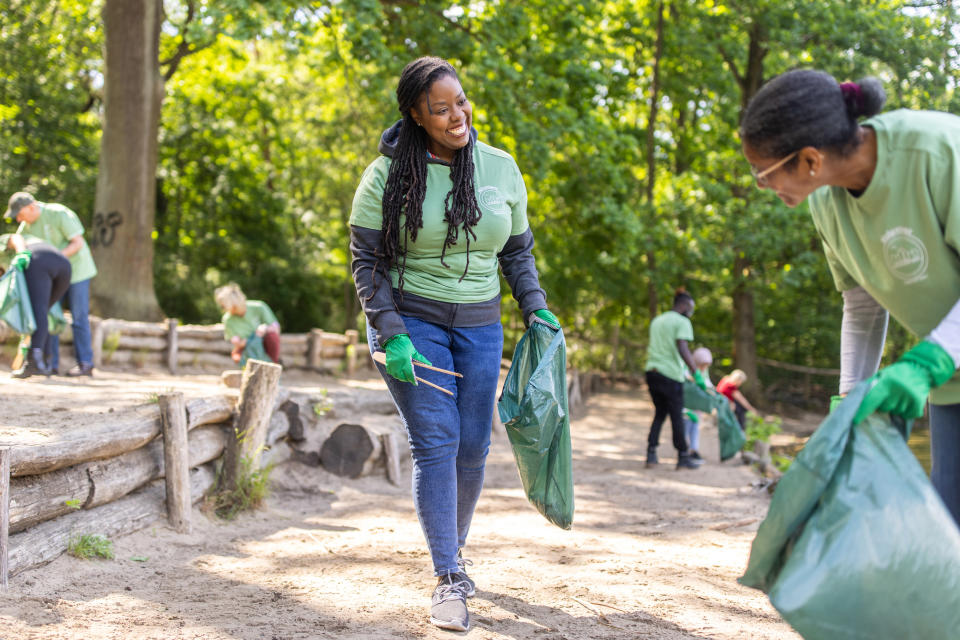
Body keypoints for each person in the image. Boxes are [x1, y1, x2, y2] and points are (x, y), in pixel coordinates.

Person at [349, 56, 559, 632]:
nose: (455, 116)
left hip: (480, 325)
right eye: (439, 109)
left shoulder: (499, 168)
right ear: (416, 116)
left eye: (460, 102)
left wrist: (535, 306)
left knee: (472, 447)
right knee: (435, 440)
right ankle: (446, 578)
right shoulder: (385, 176)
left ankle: (453, 552)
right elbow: (366, 262)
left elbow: (516, 252)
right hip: (409, 320)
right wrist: (389, 333)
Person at [740, 69, 960, 524]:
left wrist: (929, 360)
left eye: (763, 174)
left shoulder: (938, 153)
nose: (764, 187)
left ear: (809, 160)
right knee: (946, 530)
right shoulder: (825, 202)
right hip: (953, 383)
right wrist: (849, 400)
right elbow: (862, 306)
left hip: (942, 364)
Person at [4, 192, 97, 376]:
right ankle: (50, 363)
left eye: (20, 214)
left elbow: (77, 243)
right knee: (48, 313)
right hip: (51, 274)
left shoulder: (59, 213)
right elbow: (21, 245)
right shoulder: (26, 227)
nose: (19, 219)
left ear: (32, 207)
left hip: (77, 270)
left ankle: (85, 363)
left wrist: (54, 261)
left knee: (79, 317)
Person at [644, 289, 708, 470]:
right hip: (670, 375)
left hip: (652, 372)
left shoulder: (657, 320)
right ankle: (682, 456)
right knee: (676, 416)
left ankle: (651, 454)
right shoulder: (682, 322)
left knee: (660, 413)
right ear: (685, 305)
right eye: (691, 308)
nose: (691, 312)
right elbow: (682, 347)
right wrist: (695, 372)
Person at [1, 232, 72, 378]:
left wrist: (21, 253)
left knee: (38, 312)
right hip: (64, 265)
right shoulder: (34, 239)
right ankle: (45, 361)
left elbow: (14, 237)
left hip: (37, 261)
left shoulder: (9, 245)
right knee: (43, 312)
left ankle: (34, 362)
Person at [213, 283, 281, 365]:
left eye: (224, 305)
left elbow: (276, 328)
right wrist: (248, 340)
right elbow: (237, 343)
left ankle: (273, 364)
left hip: (264, 344)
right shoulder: (228, 319)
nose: (223, 308)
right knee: (236, 355)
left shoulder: (259, 307)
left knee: (272, 336)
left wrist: (264, 330)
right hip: (247, 347)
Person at [683, 346, 715, 459]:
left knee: (695, 427)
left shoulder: (704, 372)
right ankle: (684, 450)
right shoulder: (687, 370)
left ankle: (694, 449)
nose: (703, 368)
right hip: (686, 406)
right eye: (702, 365)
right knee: (685, 428)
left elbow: (707, 384)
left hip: (697, 406)